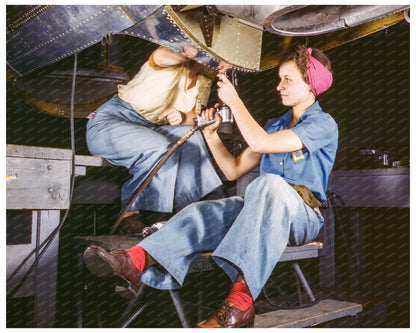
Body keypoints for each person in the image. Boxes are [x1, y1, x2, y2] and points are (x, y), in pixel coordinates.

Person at [83, 44, 338, 328]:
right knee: (202, 212)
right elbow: (233, 170)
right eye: (279, 79)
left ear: (311, 85)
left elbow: (260, 144)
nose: (279, 86)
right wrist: (211, 133)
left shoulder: (324, 124)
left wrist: (235, 101)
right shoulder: (274, 125)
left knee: (270, 184)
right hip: (261, 209)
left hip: (301, 217)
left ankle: (240, 303)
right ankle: (134, 261)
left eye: (288, 80)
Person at [85, 46, 223, 229]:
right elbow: (161, 57)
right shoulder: (168, 58)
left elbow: (193, 117)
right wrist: (190, 52)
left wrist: (182, 117)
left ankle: (194, 212)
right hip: (110, 123)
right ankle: (133, 215)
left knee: (191, 138)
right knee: (158, 147)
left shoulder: (204, 80)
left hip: (152, 128)